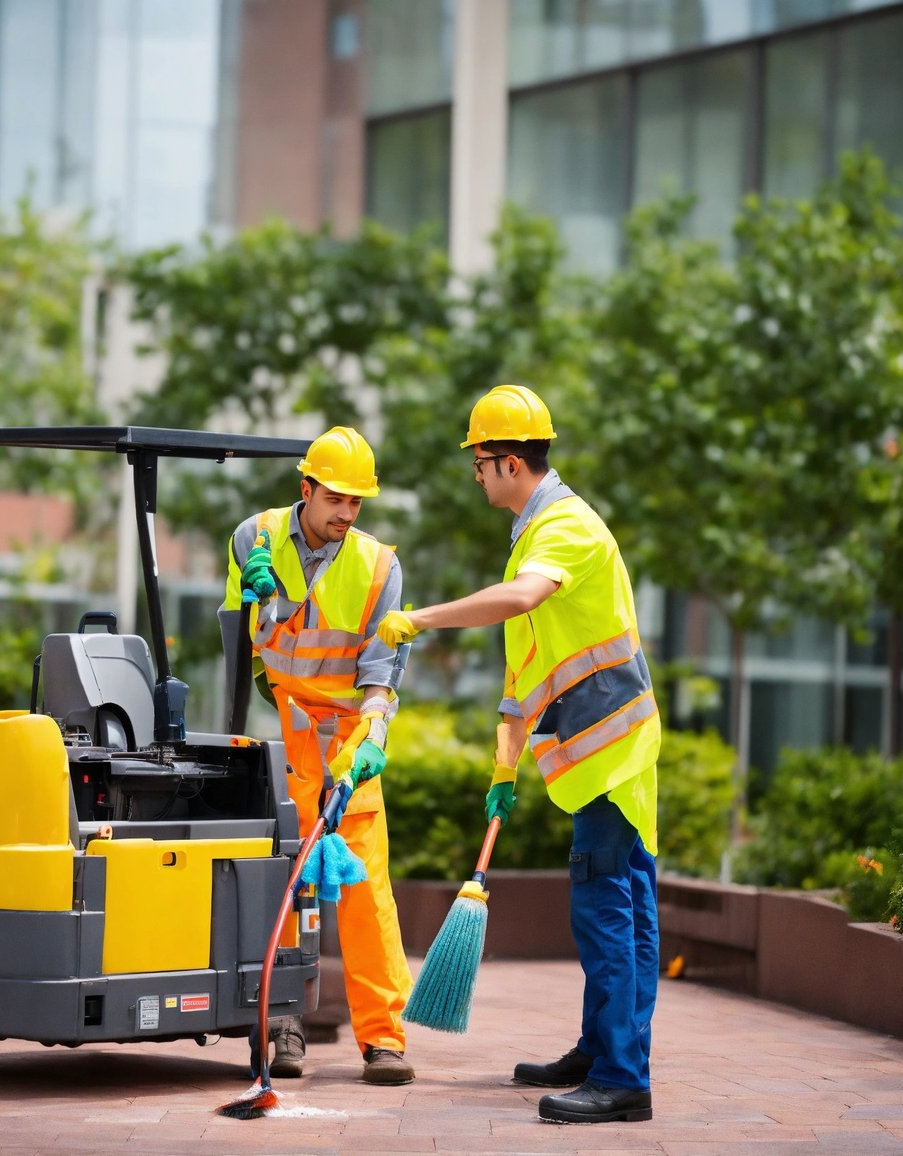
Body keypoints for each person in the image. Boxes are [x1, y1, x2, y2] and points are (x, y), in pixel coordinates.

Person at [376, 385, 661, 1124]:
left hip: (611, 752)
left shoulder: (565, 526)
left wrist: (422, 619)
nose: (476, 477)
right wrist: (505, 766)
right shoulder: (536, 529)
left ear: (506, 463)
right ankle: (603, 1051)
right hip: (602, 749)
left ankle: (623, 1077)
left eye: (478, 464)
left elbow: (519, 601)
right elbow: (526, 666)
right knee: (618, 904)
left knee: (608, 909)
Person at [221, 425, 414, 1086]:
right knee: (288, 884)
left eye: (357, 503)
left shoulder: (381, 566)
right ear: (305, 489)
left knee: (365, 890)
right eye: (336, 497)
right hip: (286, 735)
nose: (346, 513)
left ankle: (383, 1039)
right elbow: (246, 652)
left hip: (349, 741)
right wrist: (261, 602)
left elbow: (381, 679)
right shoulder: (254, 538)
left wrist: (371, 746)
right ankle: (283, 1024)